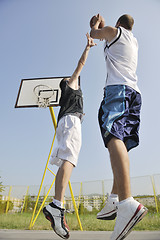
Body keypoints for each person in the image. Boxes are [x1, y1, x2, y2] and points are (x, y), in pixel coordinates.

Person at [90, 14, 148, 240]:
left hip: (117, 90)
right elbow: (109, 35)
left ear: (119, 24)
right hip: (134, 93)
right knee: (121, 142)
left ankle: (126, 202)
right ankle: (115, 198)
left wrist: (95, 24)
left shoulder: (115, 32)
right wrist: (106, 26)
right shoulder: (133, 40)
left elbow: (95, 34)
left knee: (112, 134)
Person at [43, 33, 96, 239]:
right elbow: (80, 64)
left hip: (68, 121)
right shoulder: (71, 84)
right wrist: (89, 46)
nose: (74, 79)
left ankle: (57, 204)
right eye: (71, 79)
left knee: (68, 159)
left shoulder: (68, 97)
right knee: (70, 159)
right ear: (68, 83)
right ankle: (57, 205)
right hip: (70, 122)